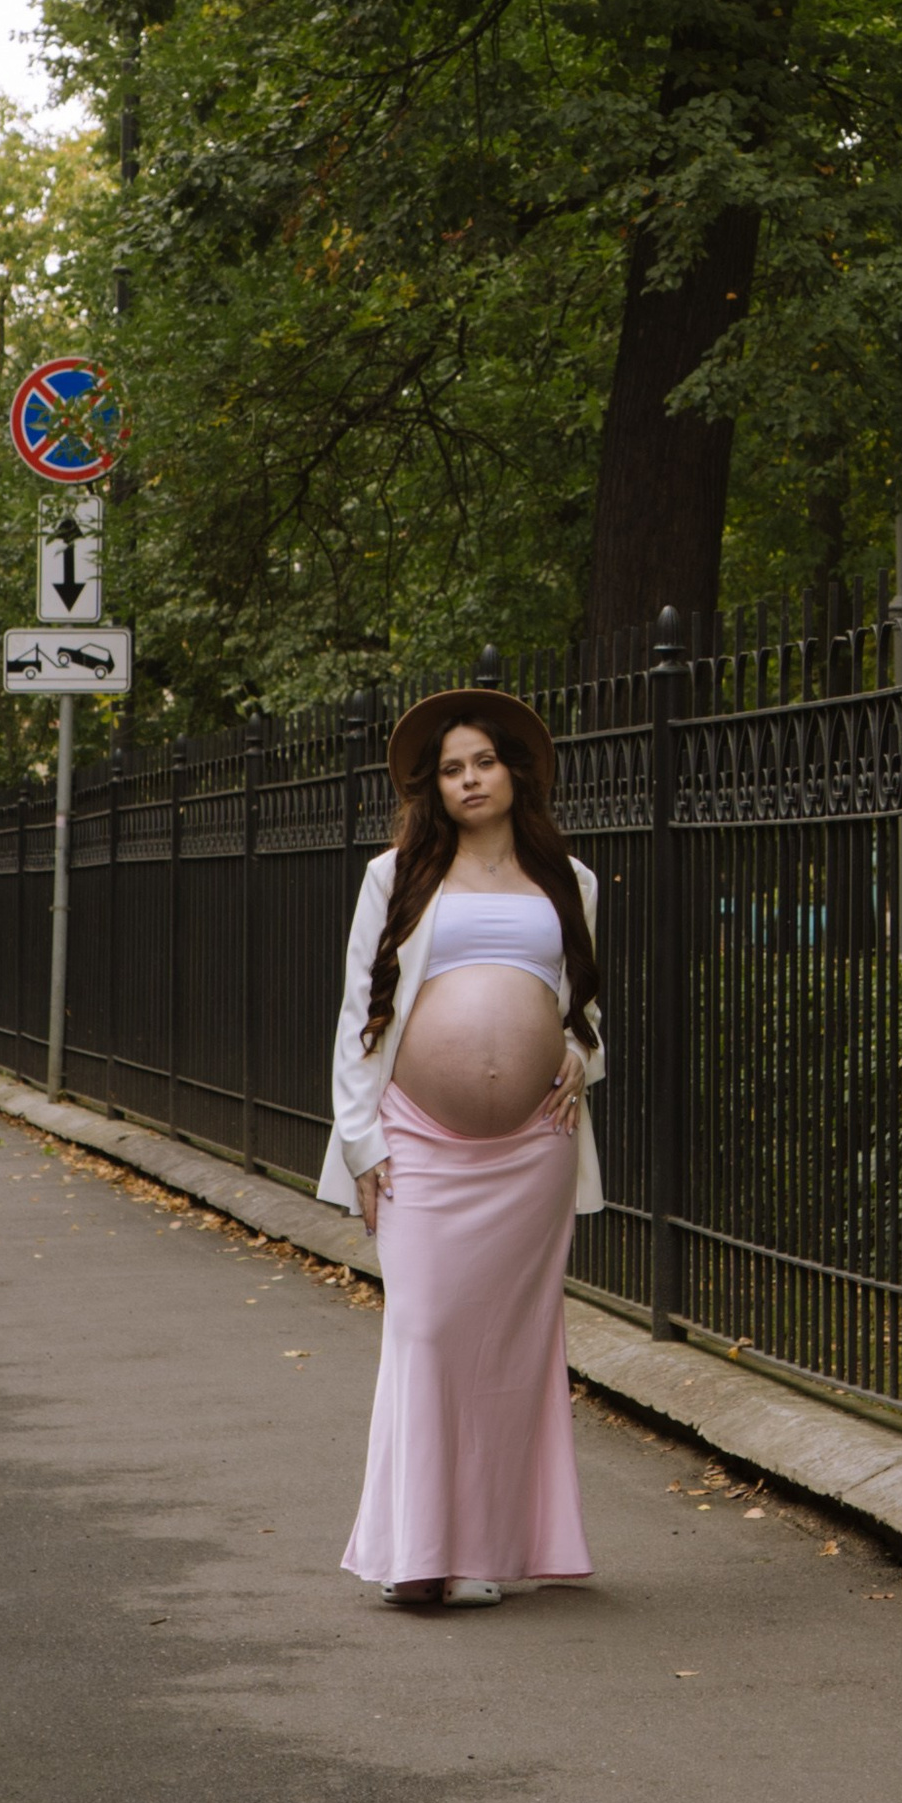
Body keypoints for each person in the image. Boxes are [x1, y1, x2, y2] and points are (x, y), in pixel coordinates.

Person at [317, 689, 604, 1609]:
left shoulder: (571, 880)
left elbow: (585, 1012)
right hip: (418, 1138)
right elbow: (360, 1012)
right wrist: (361, 1145)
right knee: (427, 1328)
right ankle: (418, 1552)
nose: (469, 779)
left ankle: (491, 1550)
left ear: (515, 772)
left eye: (482, 762)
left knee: (517, 1347)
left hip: (534, 1148)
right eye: (451, 769)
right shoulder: (394, 876)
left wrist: (581, 1053)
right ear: (431, 788)